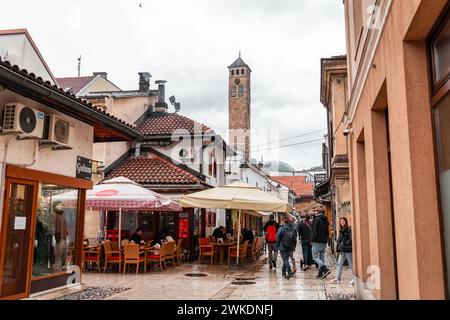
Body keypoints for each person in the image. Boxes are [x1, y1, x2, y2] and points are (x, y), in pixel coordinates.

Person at [331, 217, 354, 285]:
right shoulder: (341, 230)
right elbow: (340, 240)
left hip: (347, 249)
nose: (342, 222)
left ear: (346, 222)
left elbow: (350, 239)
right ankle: (337, 278)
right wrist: (339, 246)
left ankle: (354, 279)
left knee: (351, 264)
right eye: (341, 221)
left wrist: (344, 244)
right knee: (339, 263)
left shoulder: (348, 229)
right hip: (342, 250)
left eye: (343, 221)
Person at [276, 215, 298, 280]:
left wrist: (277, 246)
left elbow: (277, 238)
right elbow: (295, 238)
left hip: (283, 246)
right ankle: (283, 272)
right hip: (290, 246)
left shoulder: (281, 228)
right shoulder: (292, 228)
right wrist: (294, 246)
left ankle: (289, 272)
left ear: (283, 222)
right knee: (285, 260)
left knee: (285, 260)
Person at [311, 211, 331, 279]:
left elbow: (314, 230)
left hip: (317, 241)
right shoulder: (325, 220)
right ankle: (320, 273)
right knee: (321, 257)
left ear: (317, 212)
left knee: (315, 257)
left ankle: (325, 269)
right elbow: (327, 231)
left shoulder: (316, 219)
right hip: (324, 241)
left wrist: (312, 240)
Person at [53, 201, 68, 272]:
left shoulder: (62, 215)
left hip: (64, 238)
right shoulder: (54, 215)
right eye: (59, 205)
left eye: (61, 205)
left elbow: (65, 227)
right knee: (58, 256)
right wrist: (53, 236)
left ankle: (60, 270)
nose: (60, 206)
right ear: (55, 206)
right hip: (58, 238)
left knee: (64, 256)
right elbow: (52, 226)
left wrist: (67, 236)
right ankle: (57, 272)